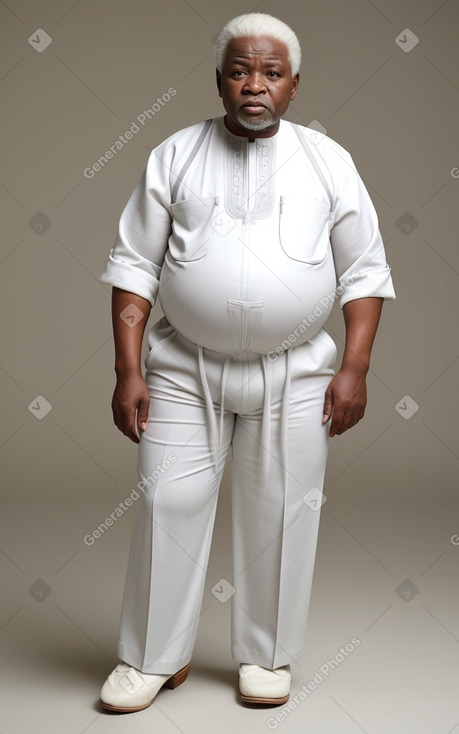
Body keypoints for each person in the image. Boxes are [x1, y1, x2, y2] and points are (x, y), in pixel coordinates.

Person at [98, 12, 395, 712]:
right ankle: (150, 657)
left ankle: (265, 655)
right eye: (239, 71)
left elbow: (364, 274)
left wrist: (353, 368)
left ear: (294, 85)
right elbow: (134, 267)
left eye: (269, 73)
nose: (253, 85)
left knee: (283, 512)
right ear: (219, 81)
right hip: (180, 367)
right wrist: (127, 369)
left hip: (296, 372)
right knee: (168, 503)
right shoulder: (175, 154)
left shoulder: (329, 162)